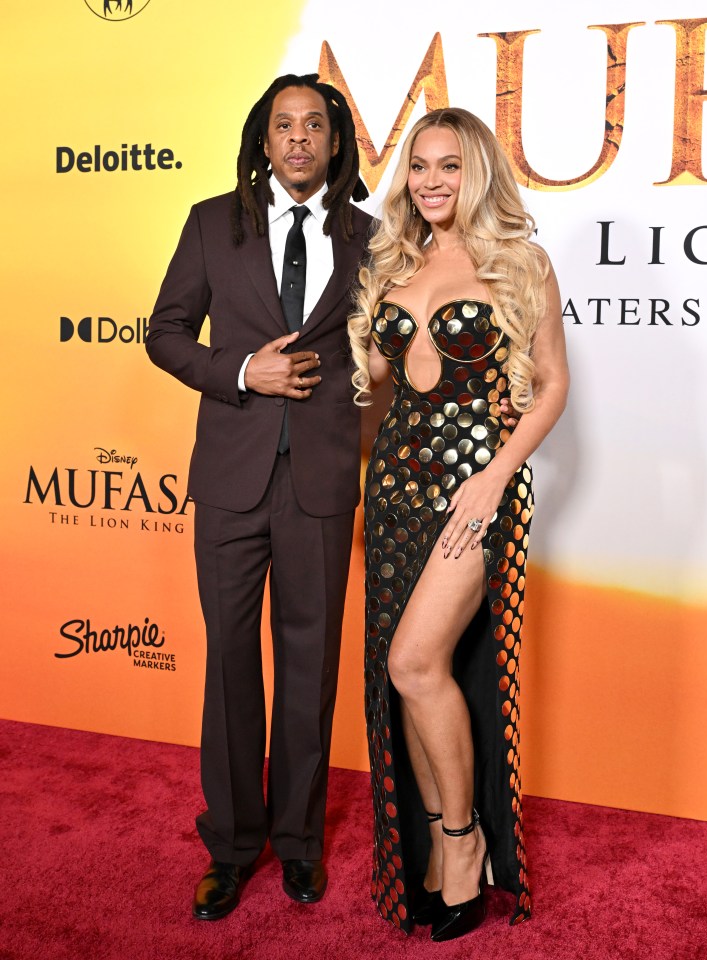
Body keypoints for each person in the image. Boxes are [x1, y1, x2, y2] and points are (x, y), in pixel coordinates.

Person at [146, 74, 371, 920]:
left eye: (316, 124)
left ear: (335, 142)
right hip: (231, 483)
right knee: (232, 667)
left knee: (310, 673)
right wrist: (244, 371)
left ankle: (301, 845)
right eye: (285, 125)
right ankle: (236, 846)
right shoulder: (213, 223)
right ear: (265, 140)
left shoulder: (371, 237)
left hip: (318, 484)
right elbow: (165, 333)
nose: (301, 138)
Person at [348, 107, 569, 941]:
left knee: (414, 660)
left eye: (448, 166)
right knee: (410, 670)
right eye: (418, 166)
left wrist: (495, 476)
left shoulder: (519, 263)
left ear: (476, 174)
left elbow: (549, 386)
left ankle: (462, 839)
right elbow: (379, 385)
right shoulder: (394, 261)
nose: (431, 181)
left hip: (476, 494)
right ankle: (445, 841)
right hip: (397, 493)